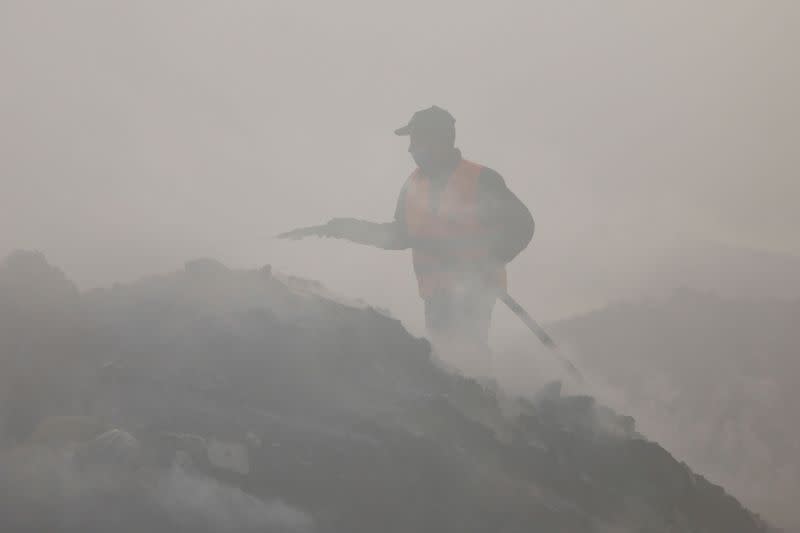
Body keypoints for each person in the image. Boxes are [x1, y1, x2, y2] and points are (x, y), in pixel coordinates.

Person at [280, 106, 534, 376]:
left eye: (417, 141)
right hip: (434, 291)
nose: (411, 149)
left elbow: (522, 225)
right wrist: (347, 228)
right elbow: (400, 235)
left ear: (439, 140)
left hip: (474, 288)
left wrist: (490, 259)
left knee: (469, 354)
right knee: (445, 358)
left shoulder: (481, 179)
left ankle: (489, 403)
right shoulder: (413, 185)